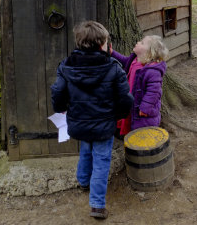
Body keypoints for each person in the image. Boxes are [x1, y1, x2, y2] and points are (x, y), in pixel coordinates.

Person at [51, 21, 133, 220]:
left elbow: (58, 92)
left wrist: (60, 109)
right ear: (102, 44)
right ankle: (97, 203)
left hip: (79, 121)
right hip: (104, 124)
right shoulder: (113, 67)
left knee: (86, 150)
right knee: (102, 160)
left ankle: (83, 180)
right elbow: (125, 98)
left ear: (80, 42)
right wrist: (119, 116)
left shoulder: (66, 65)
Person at [111, 35, 169, 136]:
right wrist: (112, 52)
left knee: (142, 132)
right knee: (131, 126)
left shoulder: (152, 71)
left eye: (142, 43)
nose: (138, 42)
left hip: (142, 111)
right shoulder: (135, 59)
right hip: (132, 102)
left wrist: (145, 108)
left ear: (150, 52)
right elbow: (124, 61)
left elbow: (154, 92)